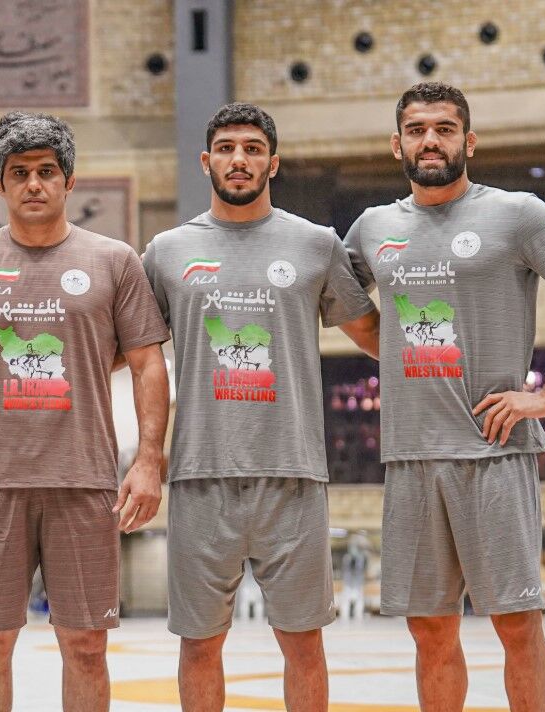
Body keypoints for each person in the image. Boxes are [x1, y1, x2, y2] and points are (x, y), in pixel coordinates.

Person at [343, 81, 545, 711]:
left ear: (468, 141)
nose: (430, 141)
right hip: (411, 455)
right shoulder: (372, 227)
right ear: (396, 145)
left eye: (444, 129)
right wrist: (399, 349)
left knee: (517, 623)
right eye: (417, 130)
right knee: (429, 630)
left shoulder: (517, 213)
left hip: (494, 449)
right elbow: (340, 304)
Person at [0, 112, 170, 712]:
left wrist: (149, 462)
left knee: (86, 645)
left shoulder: (114, 260)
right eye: (19, 172)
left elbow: (148, 364)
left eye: (47, 171)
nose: (34, 184)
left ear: (69, 181)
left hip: (84, 481)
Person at [143, 102, 380, 712]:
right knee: (199, 645)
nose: (239, 159)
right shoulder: (167, 251)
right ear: (206, 161)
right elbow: (130, 352)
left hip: (293, 474)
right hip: (200, 476)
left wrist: (461, 374)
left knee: (303, 643)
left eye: (252, 148)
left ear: (273, 163)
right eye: (226, 148)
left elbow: (376, 337)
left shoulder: (315, 244)